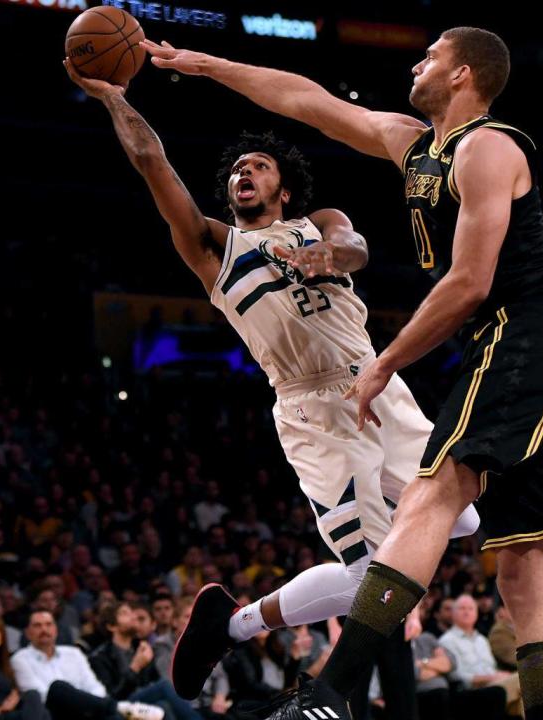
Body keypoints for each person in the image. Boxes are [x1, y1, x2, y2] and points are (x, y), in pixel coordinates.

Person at [142, 24, 543, 720]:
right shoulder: (418, 147)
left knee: (433, 500)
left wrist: (386, 362)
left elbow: (470, 282)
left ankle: (325, 694)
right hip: (513, 344)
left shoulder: (487, 147)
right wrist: (201, 64)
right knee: (522, 563)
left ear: (464, 74)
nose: (417, 61)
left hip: (525, 328)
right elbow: (304, 98)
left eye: (431, 55)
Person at [62, 55, 478, 708]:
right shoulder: (213, 248)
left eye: (255, 165)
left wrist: (334, 253)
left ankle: (238, 624)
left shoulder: (320, 221)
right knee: (379, 576)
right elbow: (151, 160)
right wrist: (115, 98)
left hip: (380, 384)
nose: (241, 174)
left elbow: (356, 244)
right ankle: (233, 625)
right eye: (234, 171)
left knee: (461, 519)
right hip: (314, 407)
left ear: (285, 184)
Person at [11, 610, 161, 720]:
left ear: (56, 630)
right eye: (37, 626)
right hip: (54, 714)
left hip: (90, 710)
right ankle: (120, 707)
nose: (44, 630)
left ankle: (118, 709)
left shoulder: (73, 653)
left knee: (162, 700)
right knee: (57, 687)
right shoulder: (20, 659)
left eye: (48, 624)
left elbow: (94, 686)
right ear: (28, 633)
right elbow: (40, 695)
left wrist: (92, 705)